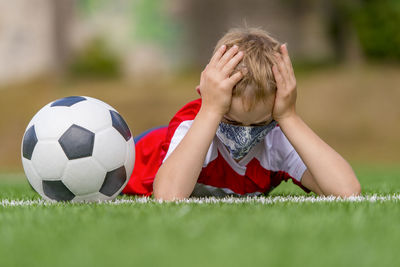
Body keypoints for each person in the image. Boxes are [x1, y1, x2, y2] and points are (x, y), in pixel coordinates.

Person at [122, 27, 361, 200]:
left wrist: (289, 117)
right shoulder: (194, 121)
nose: (244, 135)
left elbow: (347, 191)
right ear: (206, 97)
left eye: (258, 125)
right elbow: (168, 196)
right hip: (133, 160)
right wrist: (210, 110)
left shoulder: (278, 136)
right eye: (231, 121)